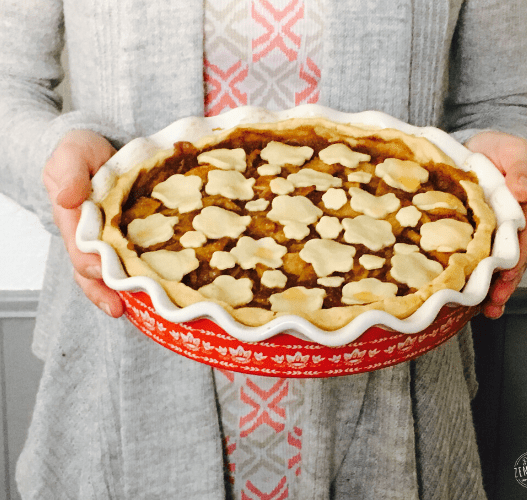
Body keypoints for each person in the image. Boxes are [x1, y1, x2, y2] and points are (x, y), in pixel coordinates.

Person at [1, 1, 526, 498]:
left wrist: (500, 174)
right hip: (118, 366)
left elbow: (502, 101)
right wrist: (62, 160)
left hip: (395, 378)